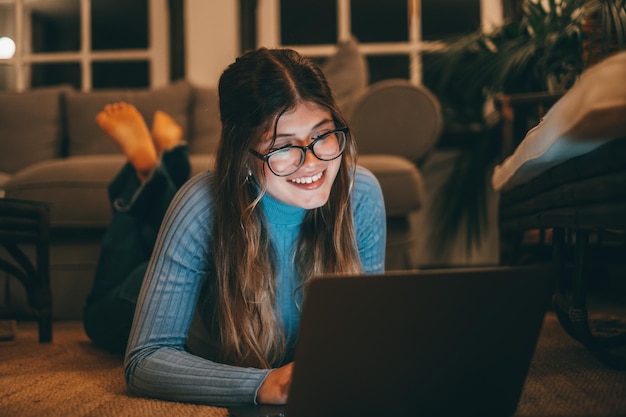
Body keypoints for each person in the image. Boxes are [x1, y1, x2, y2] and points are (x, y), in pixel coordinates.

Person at [95, 46, 386, 407]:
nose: (312, 162)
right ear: (243, 156)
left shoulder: (362, 193)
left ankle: (165, 158)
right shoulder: (201, 204)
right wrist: (263, 384)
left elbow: (368, 336)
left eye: (322, 135)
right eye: (283, 147)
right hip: (132, 293)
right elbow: (145, 360)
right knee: (100, 310)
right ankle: (149, 168)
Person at [83, 101, 191, 354]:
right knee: (149, 233)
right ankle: (158, 171)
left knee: (96, 314)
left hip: (153, 287)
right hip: (166, 286)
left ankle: (162, 167)